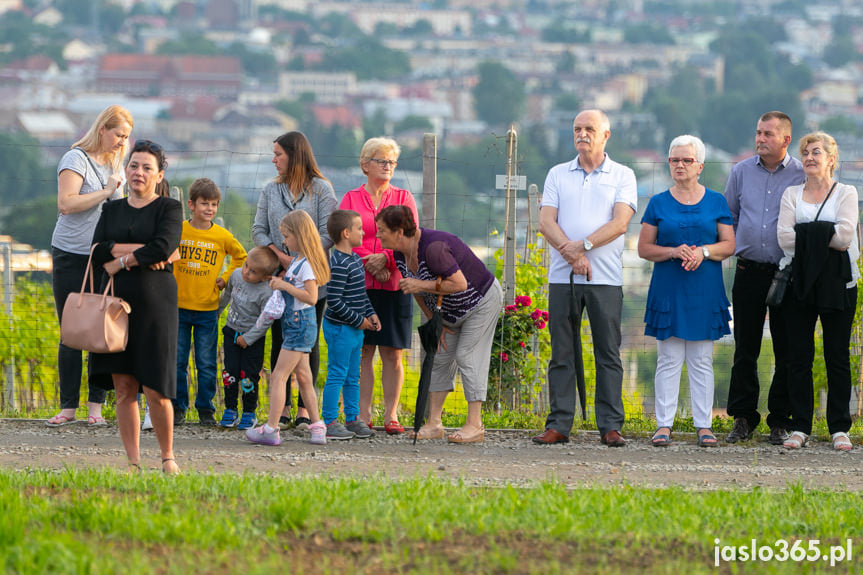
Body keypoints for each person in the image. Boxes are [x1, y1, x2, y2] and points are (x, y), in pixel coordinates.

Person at [533, 109, 637, 447]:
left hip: (605, 278)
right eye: (577, 128)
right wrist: (571, 253)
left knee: (608, 352)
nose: (582, 134)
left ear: (606, 135)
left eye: (589, 128)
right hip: (563, 278)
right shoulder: (557, 174)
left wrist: (583, 246)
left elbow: (620, 222)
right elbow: (545, 221)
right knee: (562, 351)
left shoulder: (623, 174)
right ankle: (559, 424)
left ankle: (610, 425)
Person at [90, 140, 183, 474]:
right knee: (124, 386)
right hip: (115, 304)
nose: (139, 172)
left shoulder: (169, 209)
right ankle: (132, 461)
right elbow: (98, 249)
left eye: (146, 167)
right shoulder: (111, 209)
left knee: (156, 386)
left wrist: (123, 259)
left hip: (155, 304)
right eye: (134, 166)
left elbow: (166, 246)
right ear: (126, 170)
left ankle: (167, 456)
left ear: (159, 175)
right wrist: (138, 255)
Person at [637, 136, 736, 447]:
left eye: (686, 160)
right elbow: (644, 248)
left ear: (700, 166)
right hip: (669, 287)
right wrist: (672, 252)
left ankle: (703, 424)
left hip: (704, 289)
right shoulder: (657, 203)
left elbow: (729, 245)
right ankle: (663, 424)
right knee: (668, 358)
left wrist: (703, 252)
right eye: (674, 160)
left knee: (702, 359)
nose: (679, 165)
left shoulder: (717, 201)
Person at [376, 205, 503, 444]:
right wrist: (435, 320)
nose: (378, 235)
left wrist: (420, 285)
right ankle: (434, 423)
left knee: (467, 355)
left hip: (481, 301)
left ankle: (475, 425)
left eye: (382, 230)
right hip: (450, 312)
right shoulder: (399, 254)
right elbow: (412, 287)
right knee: (438, 355)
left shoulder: (433, 249)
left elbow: (459, 284)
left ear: (399, 232)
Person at [47, 105, 133, 427]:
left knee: (101, 329)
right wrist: (107, 191)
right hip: (71, 253)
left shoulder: (117, 164)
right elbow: (66, 204)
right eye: (118, 135)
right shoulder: (75, 159)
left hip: (102, 257)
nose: (121, 142)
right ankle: (67, 406)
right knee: (71, 330)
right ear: (102, 130)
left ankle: (95, 407)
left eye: (126, 137)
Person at [724, 111, 805, 445]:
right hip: (748, 271)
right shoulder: (740, 173)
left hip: (787, 273)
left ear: (786, 139)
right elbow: (728, 216)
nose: (760, 139)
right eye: (758, 132)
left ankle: (780, 421)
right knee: (745, 348)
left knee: (786, 349)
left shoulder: (802, 174)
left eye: (768, 134)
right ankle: (743, 418)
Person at [777, 132, 858, 451]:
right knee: (798, 356)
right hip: (799, 283)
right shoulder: (791, 194)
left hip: (839, 284)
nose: (810, 157)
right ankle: (800, 426)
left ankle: (839, 428)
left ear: (831, 159)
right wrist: (824, 233)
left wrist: (805, 235)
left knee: (837, 355)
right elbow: (784, 238)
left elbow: (846, 237)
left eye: (817, 152)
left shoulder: (846, 192)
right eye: (806, 153)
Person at [252, 131, 337, 430]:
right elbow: (258, 230)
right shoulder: (270, 191)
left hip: (312, 278)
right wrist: (280, 254)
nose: (274, 160)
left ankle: (305, 410)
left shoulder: (322, 190)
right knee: (280, 338)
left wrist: (303, 258)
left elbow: (329, 234)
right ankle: (283, 407)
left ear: (295, 155)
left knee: (308, 343)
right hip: (279, 275)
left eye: (279, 154)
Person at [339, 137, 418, 436]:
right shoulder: (350, 198)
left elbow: (410, 236)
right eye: (381, 161)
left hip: (394, 282)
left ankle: (391, 414)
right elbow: (343, 236)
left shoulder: (404, 197)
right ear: (365, 164)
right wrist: (368, 263)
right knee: (363, 350)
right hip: (359, 285)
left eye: (392, 162)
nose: (388, 166)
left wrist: (385, 260)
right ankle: (362, 412)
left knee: (393, 352)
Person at [246, 210, 330, 446]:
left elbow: (312, 297)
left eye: (286, 236)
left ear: (300, 236)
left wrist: (284, 285)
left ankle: (271, 428)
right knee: (304, 376)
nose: (284, 241)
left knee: (279, 375)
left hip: (299, 324)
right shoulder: (298, 262)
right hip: (297, 325)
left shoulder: (307, 266)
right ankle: (317, 427)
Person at [172, 178, 246, 426]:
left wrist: (225, 277)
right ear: (191, 204)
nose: (210, 209)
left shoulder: (221, 236)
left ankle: (206, 409)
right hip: (179, 308)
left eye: (214, 204)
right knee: (178, 362)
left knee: (205, 363)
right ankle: (178, 407)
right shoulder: (179, 230)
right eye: (205, 203)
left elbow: (241, 257)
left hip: (207, 310)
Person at [321, 210, 382, 440]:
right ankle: (329, 421)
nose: (363, 232)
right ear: (346, 233)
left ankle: (353, 418)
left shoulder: (356, 260)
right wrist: (359, 320)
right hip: (341, 329)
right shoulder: (337, 263)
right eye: (359, 228)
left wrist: (371, 313)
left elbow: (360, 294)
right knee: (337, 373)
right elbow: (334, 301)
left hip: (356, 330)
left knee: (352, 375)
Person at [218, 247, 280, 431]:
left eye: (253, 272)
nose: (246, 272)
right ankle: (230, 409)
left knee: (248, 376)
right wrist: (217, 312)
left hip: (251, 339)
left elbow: (265, 321)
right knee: (229, 373)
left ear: (265, 277)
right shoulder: (236, 275)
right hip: (231, 332)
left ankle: (249, 412)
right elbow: (227, 295)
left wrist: (249, 338)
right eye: (246, 266)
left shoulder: (266, 292)